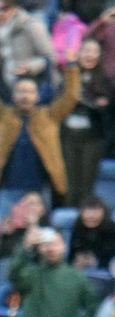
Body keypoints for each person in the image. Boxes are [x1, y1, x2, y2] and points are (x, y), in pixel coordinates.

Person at [0, 50, 81, 208]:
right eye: (20, 91)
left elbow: (71, 96)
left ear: (37, 96)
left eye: (29, 92)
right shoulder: (4, 114)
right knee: (7, 230)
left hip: (40, 187)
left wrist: (72, 67)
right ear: (13, 96)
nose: (25, 96)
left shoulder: (50, 115)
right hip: (9, 187)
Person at [63, 40, 111, 209]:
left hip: (92, 138)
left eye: (94, 51)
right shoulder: (68, 74)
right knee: (69, 183)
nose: (89, 55)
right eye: (86, 50)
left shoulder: (105, 79)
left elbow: (105, 107)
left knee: (86, 183)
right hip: (68, 136)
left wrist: (82, 102)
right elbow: (62, 101)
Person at [0, 0, 54, 92]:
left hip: (35, 87)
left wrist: (30, 67)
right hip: (10, 87)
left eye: (4, 9)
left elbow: (50, 57)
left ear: (15, 8)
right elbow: (4, 60)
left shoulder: (32, 26)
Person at [70, 197, 115, 271]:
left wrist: (95, 262)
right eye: (87, 212)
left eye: (95, 212)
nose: (91, 216)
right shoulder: (78, 226)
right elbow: (71, 254)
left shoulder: (112, 229)